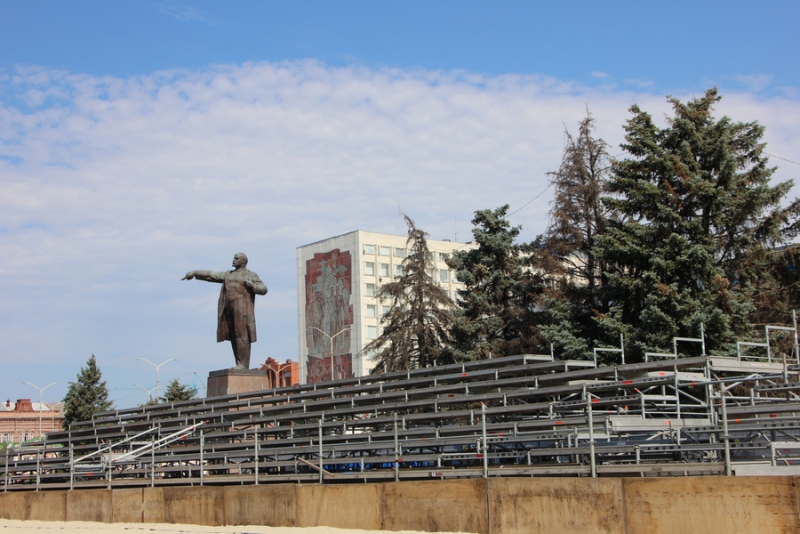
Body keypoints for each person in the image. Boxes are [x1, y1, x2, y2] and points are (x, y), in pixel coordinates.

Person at [182, 253, 267, 369]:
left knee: (241, 335)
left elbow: (263, 289)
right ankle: (239, 363)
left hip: (242, 308)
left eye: (236, 258)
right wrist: (195, 272)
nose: (233, 260)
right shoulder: (229, 274)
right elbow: (211, 275)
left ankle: (243, 364)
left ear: (243, 261)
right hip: (228, 307)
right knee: (233, 335)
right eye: (234, 258)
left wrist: (252, 285)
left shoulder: (250, 275)